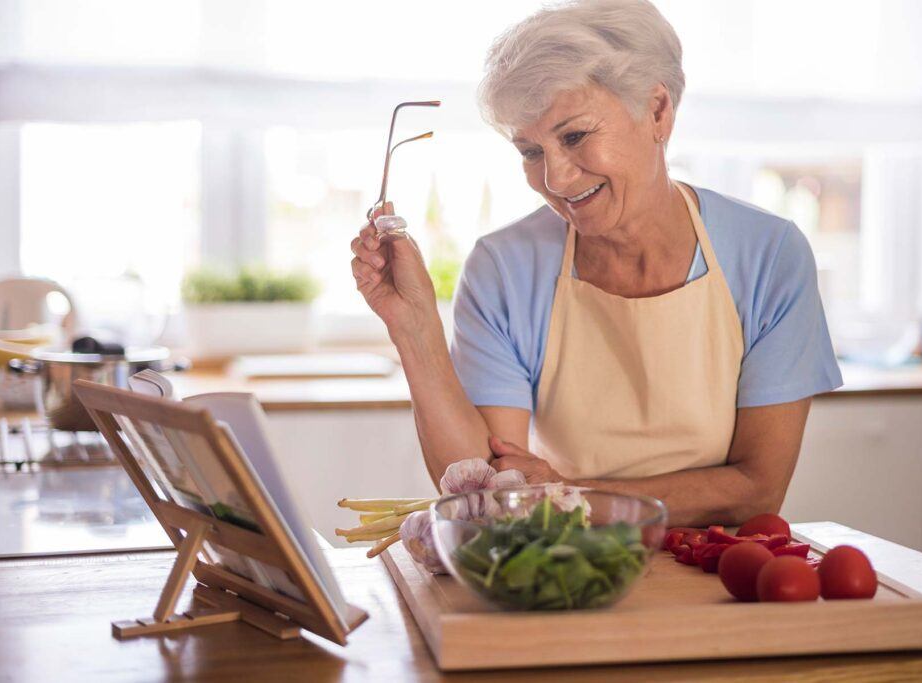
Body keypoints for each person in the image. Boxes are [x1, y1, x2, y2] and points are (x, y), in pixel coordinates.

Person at [349, 0, 842, 526]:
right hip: (566, 568)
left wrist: (570, 493)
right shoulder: (505, 268)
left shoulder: (769, 255)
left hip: (715, 571)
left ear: (657, 111)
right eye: (530, 152)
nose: (556, 180)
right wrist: (415, 328)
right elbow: (487, 488)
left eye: (575, 136)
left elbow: (756, 490)